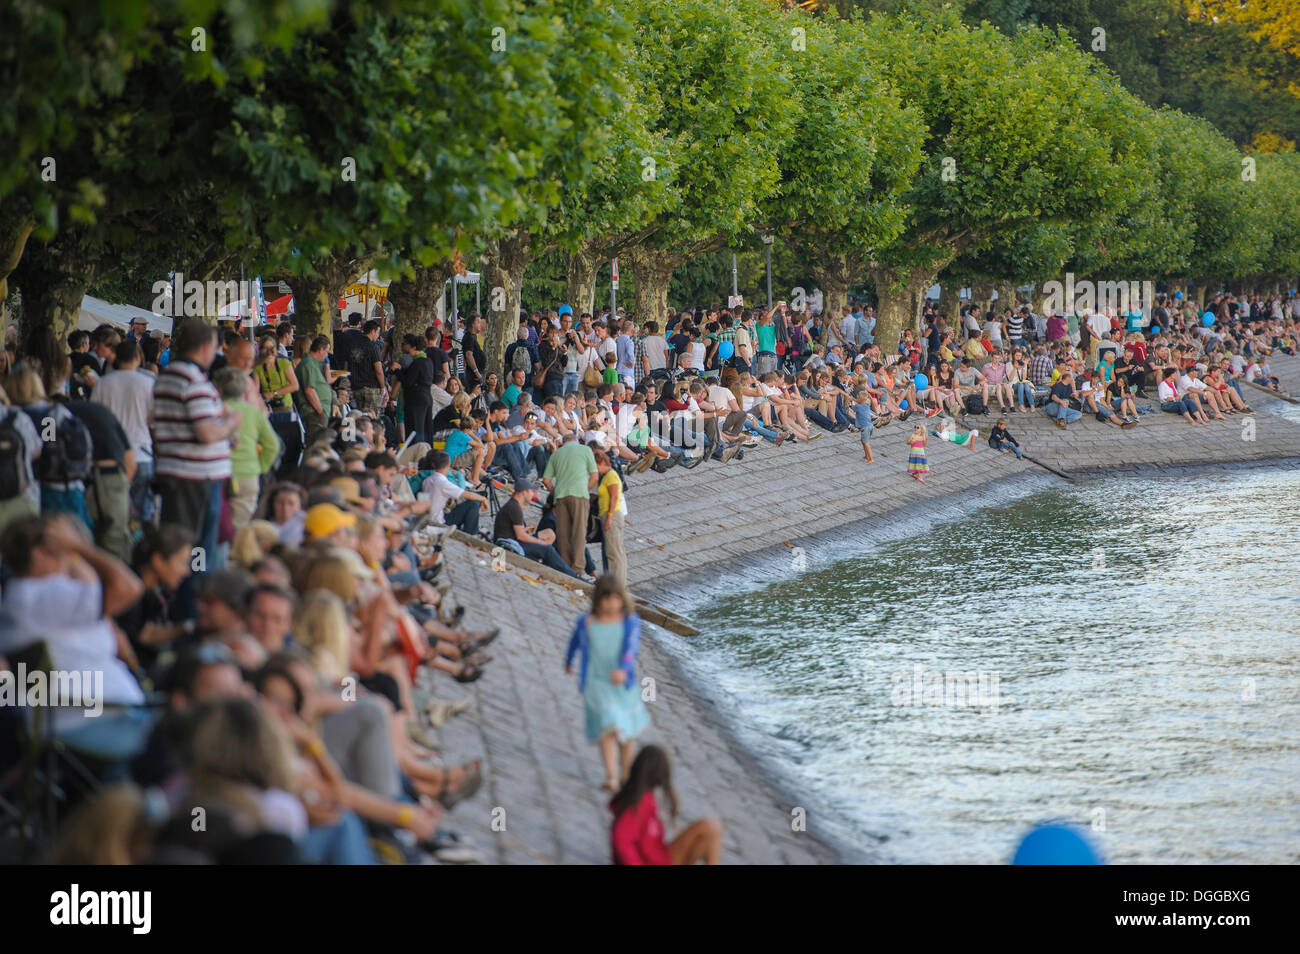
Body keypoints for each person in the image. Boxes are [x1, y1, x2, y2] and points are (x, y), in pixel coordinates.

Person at [153, 320, 240, 563]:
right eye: (215, 348)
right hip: (196, 479)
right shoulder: (193, 381)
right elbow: (208, 433)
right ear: (205, 347)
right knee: (198, 550)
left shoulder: (171, 375)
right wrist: (231, 424)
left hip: (182, 474)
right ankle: (194, 594)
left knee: (187, 547)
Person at [564, 576, 648, 792]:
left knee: (627, 733)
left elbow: (631, 648)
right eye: (606, 599)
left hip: (621, 684)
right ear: (598, 599)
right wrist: (568, 660)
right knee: (608, 727)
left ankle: (627, 774)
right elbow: (575, 641)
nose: (611, 604)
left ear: (622, 599)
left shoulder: (629, 621)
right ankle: (611, 776)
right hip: (596, 682)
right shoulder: (587, 621)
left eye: (616, 598)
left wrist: (623, 668)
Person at [609, 744, 723, 866]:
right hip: (656, 861)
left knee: (705, 841)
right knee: (711, 827)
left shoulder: (641, 795)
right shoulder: (640, 802)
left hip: (659, 856)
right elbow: (620, 839)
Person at [492, 478, 578, 576]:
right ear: (524, 492)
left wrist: (525, 530)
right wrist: (540, 542)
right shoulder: (515, 508)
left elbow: (512, 531)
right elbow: (520, 536)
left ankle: (544, 562)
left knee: (548, 533)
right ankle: (573, 575)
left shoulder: (514, 505)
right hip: (509, 544)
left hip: (511, 539)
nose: (533, 494)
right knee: (548, 549)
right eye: (531, 491)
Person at [541, 432, 598, 573]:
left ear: (563, 442)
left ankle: (565, 567)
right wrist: (585, 490)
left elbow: (546, 480)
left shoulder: (556, 454)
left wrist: (555, 492)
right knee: (579, 533)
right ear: (576, 441)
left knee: (563, 533)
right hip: (579, 495)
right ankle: (578, 568)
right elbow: (595, 476)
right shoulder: (585, 450)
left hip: (560, 496)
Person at [593, 449, 626, 585]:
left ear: (601, 463)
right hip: (608, 513)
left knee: (613, 552)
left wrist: (609, 518)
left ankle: (616, 583)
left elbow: (614, 497)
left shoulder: (611, 476)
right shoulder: (607, 476)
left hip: (611, 514)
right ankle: (618, 582)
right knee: (616, 550)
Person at [853, 387, 874, 464]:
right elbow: (860, 402)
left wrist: (851, 401)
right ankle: (866, 455)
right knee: (863, 441)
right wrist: (856, 400)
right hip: (871, 426)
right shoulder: (867, 405)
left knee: (866, 443)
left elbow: (853, 408)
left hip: (865, 427)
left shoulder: (857, 407)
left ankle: (871, 459)